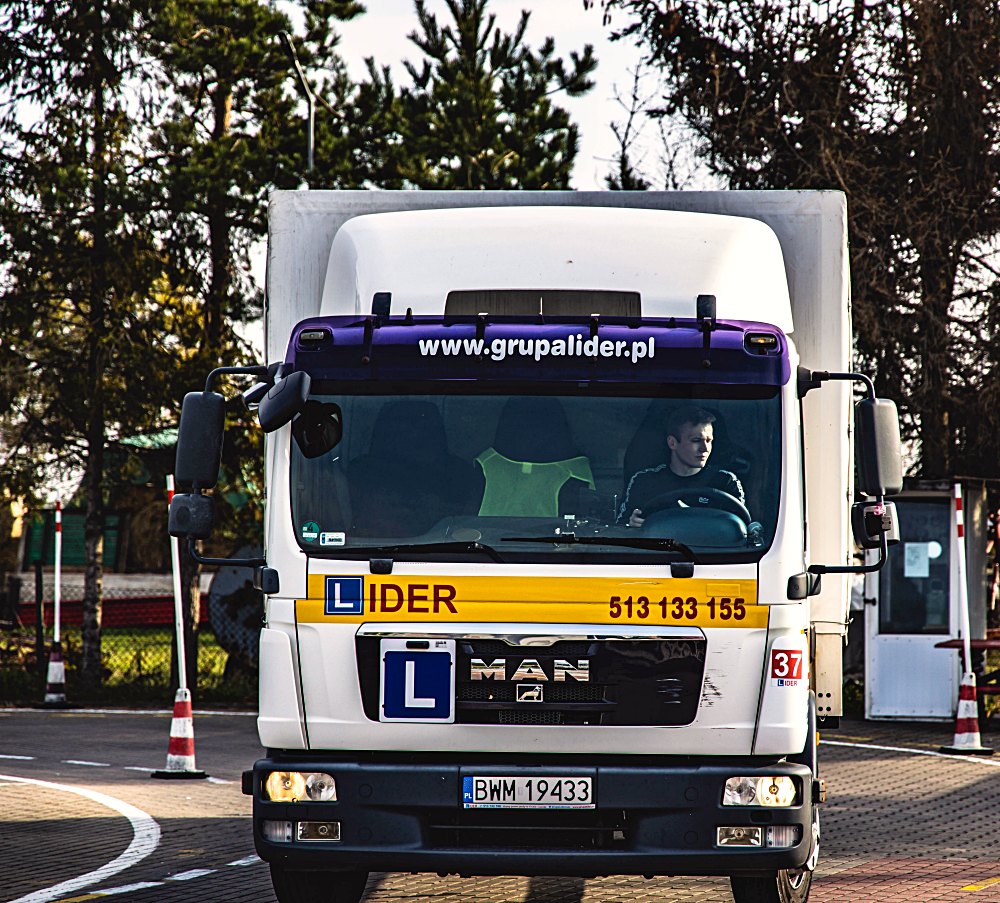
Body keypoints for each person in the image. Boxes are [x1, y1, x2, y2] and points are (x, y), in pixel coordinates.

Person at [618, 405, 746, 527]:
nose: (705, 448)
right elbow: (619, 529)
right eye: (696, 440)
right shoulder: (644, 481)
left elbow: (744, 531)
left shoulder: (725, 482)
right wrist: (631, 524)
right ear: (672, 443)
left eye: (709, 441)